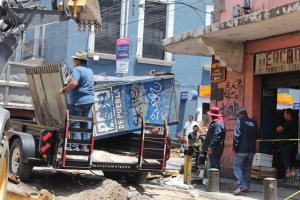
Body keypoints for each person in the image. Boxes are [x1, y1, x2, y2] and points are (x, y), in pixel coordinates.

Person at [59, 50, 94, 152]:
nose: (73, 61)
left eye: (74, 60)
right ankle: (84, 146)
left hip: (78, 100)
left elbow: (74, 83)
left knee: (75, 123)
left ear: (78, 61)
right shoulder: (90, 70)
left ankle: (75, 146)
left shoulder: (77, 70)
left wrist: (64, 90)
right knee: (84, 122)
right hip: (89, 100)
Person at [232, 108, 260, 195]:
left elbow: (236, 136)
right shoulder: (254, 122)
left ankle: (241, 185)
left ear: (239, 114)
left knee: (236, 166)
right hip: (251, 150)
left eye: (237, 115)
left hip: (241, 149)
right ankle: (246, 187)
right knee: (247, 168)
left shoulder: (239, 121)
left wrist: (234, 148)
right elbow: (258, 135)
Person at [203, 107, 226, 172]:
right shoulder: (217, 123)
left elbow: (216, 136)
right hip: (215, 147)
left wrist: (211, 146)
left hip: (215, 148)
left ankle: (215, 181)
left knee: (214, 166)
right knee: (214, 164)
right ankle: (215, 181)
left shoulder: (218, 123)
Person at [276, 108, 297, 176]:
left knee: (286, 161)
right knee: (286, 161)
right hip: (287, 144)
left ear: (289, 114)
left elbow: (279, 129)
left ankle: (287, 176)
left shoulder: (290, 122)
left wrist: (281, 130)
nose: (284, 115)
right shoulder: (290, 123)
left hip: (286, 145)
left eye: (285, 114)